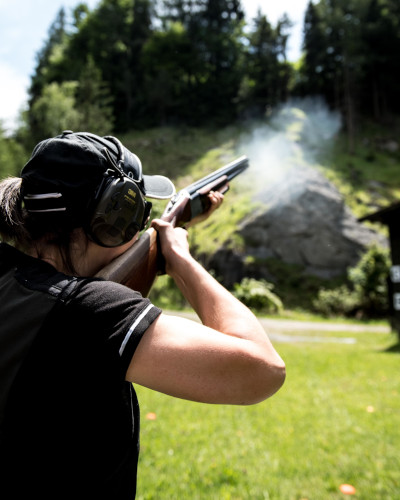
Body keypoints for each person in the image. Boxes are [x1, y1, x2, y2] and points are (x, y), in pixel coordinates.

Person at [0, 131, 285, 499]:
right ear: (114, 216)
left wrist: (156, 255)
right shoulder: (88, 312)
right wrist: (180, 257)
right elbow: (262, 371)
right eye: (135, 215)